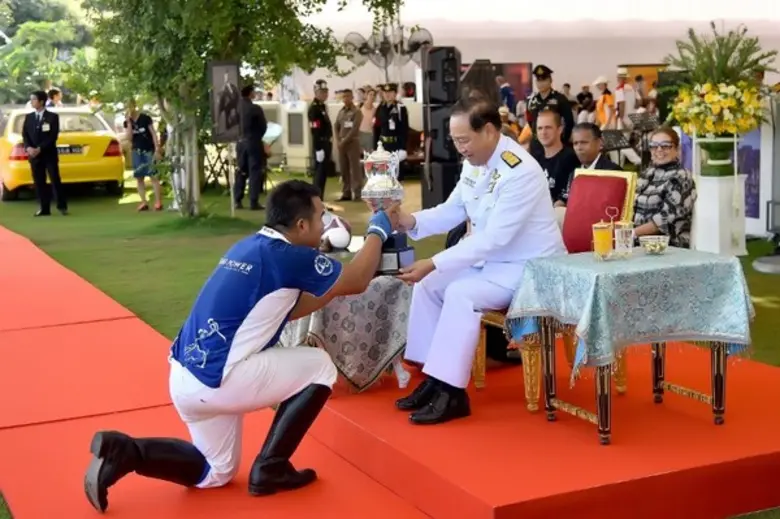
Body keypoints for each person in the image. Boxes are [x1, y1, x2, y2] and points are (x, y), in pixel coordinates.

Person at [83, 180, 401, 513]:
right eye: (321, 216)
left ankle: (127, 452)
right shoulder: (288, 256)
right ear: (301, 225)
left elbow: (287, 307)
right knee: (320, 365)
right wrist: (377, 230)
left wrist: (331, 287)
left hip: (184, 378)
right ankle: (271, 466)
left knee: (215, 472)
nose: (325, 225)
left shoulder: (247, 246)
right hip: (221, 381)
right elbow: (359, 280)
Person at [392, 97, 565, 425]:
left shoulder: (520, 171)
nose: (460, 149)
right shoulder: (475, 159)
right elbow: (455, 209)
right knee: (429, 286)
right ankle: (434, 378)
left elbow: (494, 238)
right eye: (455, 141)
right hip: (492, 262)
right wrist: (409, 221)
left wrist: (434, 261)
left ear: (488, 131)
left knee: (461, 293)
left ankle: (453, 393)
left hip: (528, 267)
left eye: (463, 140)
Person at [634, 127, 697, 248]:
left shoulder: (681, 177)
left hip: (667, 246)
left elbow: (664, 219)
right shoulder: (648, 173)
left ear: (677, 149)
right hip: (638, 242)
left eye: (666, 146)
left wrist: (630, 234)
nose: (659, 150)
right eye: (654, 146)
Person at [22, 90, 68, 216]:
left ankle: (61, 206)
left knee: (54, 179)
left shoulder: (52, 117)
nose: (32, 102)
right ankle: (44, 208)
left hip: (48, 154)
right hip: (34, 156)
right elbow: (25, 135)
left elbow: (53, 136)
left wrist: (40, 148)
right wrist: (29, 148)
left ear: (41, 101)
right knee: (39, 181)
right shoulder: (29, 117)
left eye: (34, 99)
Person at [556, 123, 622, 207]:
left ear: (600, 143)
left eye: (584, 142)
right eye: (575, 143)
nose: (579, 148)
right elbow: (566, 199)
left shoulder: (613, 172)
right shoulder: (574, 174)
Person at [523, 65, 574, 156]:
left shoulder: (560, 99)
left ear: (550, 81)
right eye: (538, 81)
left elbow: (569, 122)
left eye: (544, 80)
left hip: (556, 144)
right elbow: (530, 122)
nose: (541, 83)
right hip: (537, 145)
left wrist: (562, 140)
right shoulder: (532, 100)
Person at [531, 109, 579, 205]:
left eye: (548, 127)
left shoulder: (570, 158)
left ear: (560, 130)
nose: (543, 132)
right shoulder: (534, 159)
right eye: (540, 128)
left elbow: (566, 197)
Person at [124, 99, 163, 211]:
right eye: (127, 107)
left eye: (130, 106)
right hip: (136, 151)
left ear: (134, 106)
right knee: (139, 178)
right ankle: (143, 202)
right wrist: (129, 122)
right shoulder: (127, 121)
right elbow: (129, 138)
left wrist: (157, 148)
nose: (129, 109)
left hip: (148, 150)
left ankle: (158, 202)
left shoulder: (145, 118)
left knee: (153, 176)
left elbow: (153, 133)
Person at [235, 84, 268, 210]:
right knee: (254, 171)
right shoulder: (255, 108)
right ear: (250, 93)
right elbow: (263, 127)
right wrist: (257, 137)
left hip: (240, 142)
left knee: (241, 170)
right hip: (253, 142)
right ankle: (253, 201)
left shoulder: (236, 108)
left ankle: (238, 199)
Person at [334, 89, 364, 202]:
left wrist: (344, 141)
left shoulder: (356, 112)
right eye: (344, 96)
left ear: (352, 97)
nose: (345, 98)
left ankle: (357, 193)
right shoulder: (341, 111)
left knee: (354, 169)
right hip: (342, 144)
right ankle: (346, 193)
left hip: (352, 143)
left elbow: (354, 129)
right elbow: (336, 125)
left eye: (348, 96)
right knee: (344, 168)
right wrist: (338, 140)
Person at [308, 80, 333, 199]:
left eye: (326, 92)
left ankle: (320, 199)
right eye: (322, 92)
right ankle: (316, 200)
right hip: (321, 144)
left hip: (326, 142)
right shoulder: (314, 109)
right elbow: (315, 130)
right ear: (316, 92)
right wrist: (318, 148)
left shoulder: (322, 106)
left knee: (323, 174)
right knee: (319, 174)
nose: (325, 94)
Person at [373, 83, 408, 159]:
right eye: (385, 92)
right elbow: (376, 127)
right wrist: (375, 146)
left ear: (395, 94)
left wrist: (403, 147)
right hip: (383, 145)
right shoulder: (380, 107)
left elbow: (404, 128)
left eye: (390, 92)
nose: (387, 95)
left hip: (396, 145)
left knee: (397, 169)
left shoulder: (400, 108)